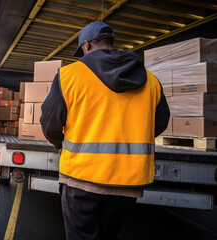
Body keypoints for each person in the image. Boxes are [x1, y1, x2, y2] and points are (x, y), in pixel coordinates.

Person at [40, 22, 169, 240]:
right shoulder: (151, 80)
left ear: (87, 45)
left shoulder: (69, 76)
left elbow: (49, 124)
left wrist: (60, 144)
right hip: (127, 184)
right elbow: (160, 122)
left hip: (80, 178)